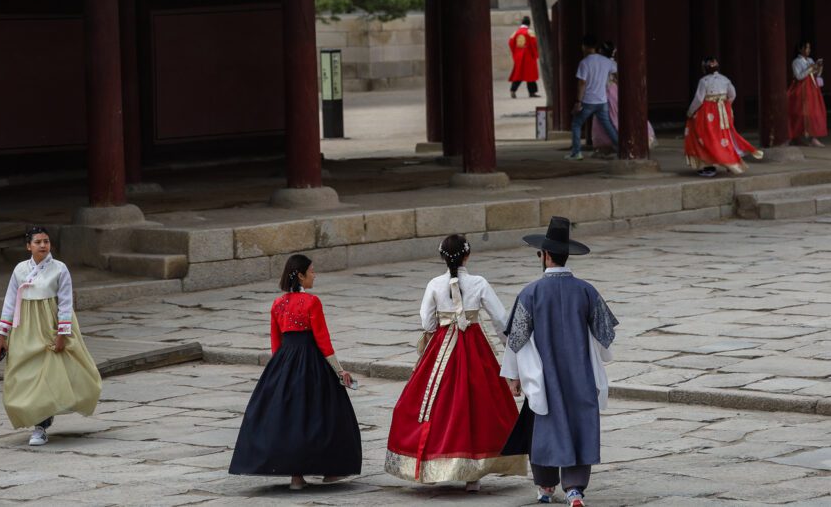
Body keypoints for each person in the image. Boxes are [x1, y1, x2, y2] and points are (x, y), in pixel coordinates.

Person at [385, 235, 527, 490]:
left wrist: (437, 327)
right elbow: (500, 318)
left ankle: (434, 464)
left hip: (441, 347)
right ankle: (473, 475)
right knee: (477, 404)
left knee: (434, 404)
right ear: (467, 255)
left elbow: (426, 320)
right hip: (474, 347)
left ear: (442, 256)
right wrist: (511, 351)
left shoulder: (434, 284)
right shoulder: (479, 283)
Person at [499, 217, 617, 507]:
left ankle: (546, 487)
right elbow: (605, 334)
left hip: (545, 376)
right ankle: (575, 489)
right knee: (580, 425)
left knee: (545, 426)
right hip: (581, 375)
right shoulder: (587, 290)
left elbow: (516, 339)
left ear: (546, 255)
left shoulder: (531, 292)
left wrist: (513, 375)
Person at [229, 255, 361, 490]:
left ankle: (296, 477)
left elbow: (275, 344)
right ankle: (330, 470)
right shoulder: (312, 302)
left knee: (290, 417)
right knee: (324, 413)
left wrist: (279, 373)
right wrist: (340, 372)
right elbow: (323, 341)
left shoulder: (277, 304)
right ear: (300, 275)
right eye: (312, 271)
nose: (315, 274)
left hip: (283, 363)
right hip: (311, 361)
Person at [0, 226, 101, 447]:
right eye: (38, 242)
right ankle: (36, 416)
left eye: (46, 241)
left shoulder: (59, 269)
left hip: (50, 325)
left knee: (49, 373)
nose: (43, 245)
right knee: (25, 373)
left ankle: (41, 426)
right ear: (28, 246)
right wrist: (2, 335)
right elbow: (9, 302)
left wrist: (62, 334)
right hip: (25, 327)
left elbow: (65, 303)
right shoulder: (20, 270)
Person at [683, 56, 763, 177]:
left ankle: (709, 165)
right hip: (722, 111)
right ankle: (730, 162)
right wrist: (725, 105)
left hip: (707, 112)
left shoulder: (704, 81)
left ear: (704, 68)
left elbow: (699, 99)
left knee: (707, 137)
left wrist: (690, 111)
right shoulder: (725, 79)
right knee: (724, 136)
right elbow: (733, 94)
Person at [591, 41, 656, 156]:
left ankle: (609, 145)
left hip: (603, 93)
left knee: (606, 120)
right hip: (614, 92)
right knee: (617, 117)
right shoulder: (613, 64)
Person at [565, 35, 618, 160]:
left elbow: (582, 83)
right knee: (608, 125)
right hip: (602, 100)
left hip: (588, 101)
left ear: (584, 46)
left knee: (576, 124)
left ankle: (576, 152)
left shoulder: (584, 63)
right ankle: (620, 148)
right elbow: (616, 73)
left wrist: (578, 101)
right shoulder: (607, 61)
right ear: (595, 47)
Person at [787, 40, 827, 147]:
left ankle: (813, 137)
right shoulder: (796, 62)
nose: (808, 50)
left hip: (812, 89)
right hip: (801, 90)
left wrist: (818, 69)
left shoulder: (810, 60)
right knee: (801, 114)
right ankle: (797, 137)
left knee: (814, 112)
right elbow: (798, 76)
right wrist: (809, 69)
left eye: (809, 48)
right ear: (800, 49)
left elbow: (815, 75)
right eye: (806, 48)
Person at [509, 16, 540, 98]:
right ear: (529, 23)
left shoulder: (516, 32)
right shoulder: (530, 32)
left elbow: (511, 42)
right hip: (528, 57)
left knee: (519, 74)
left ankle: (513, 90)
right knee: (530, 75)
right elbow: (534, 44)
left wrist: (515, 53)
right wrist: (536, 54)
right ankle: (532, 92)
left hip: (519, 57)